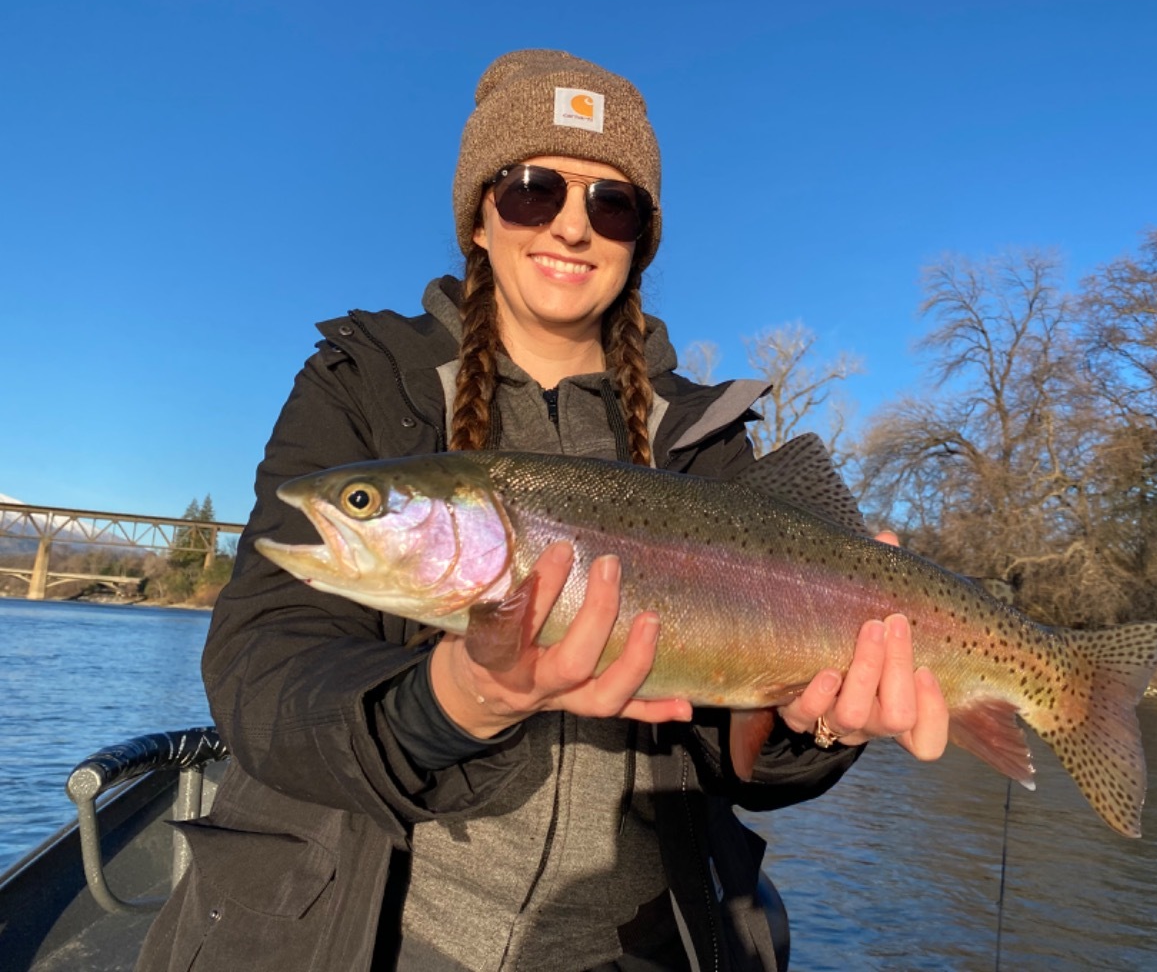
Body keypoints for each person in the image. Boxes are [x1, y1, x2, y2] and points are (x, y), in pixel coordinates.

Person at [138, 49, 950, 972]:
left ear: (638, 241)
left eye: (612, 204)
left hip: (635, 946)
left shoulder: (708, 440)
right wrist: (451, 702)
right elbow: (261, 669)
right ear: (479, 218)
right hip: (370, 936)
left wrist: (816, 727)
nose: (572, 226)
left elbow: (741, 764)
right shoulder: (364, 383)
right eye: (533, 190)